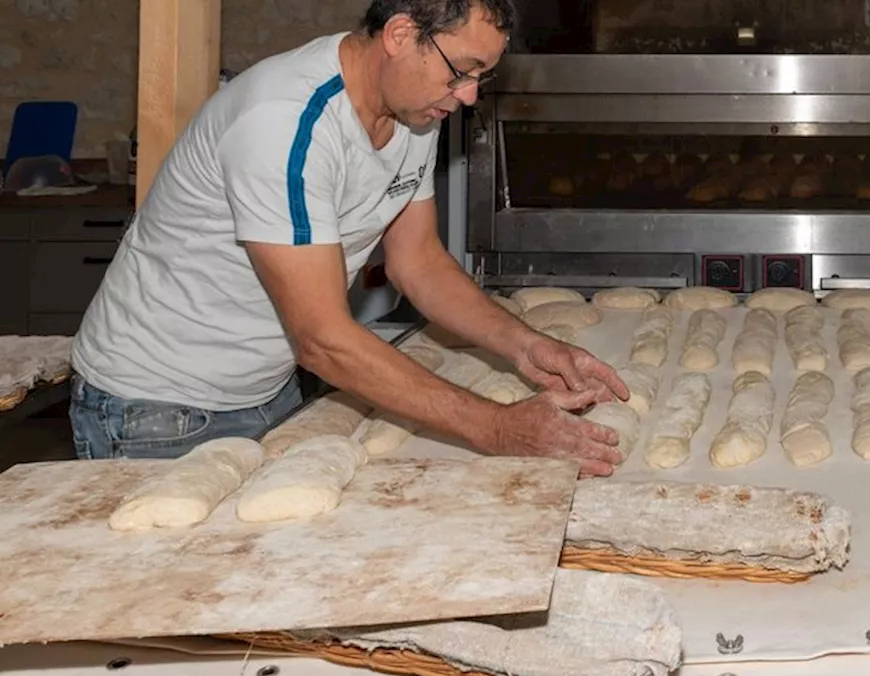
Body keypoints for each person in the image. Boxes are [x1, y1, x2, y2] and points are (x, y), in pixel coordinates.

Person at [69, 0, 628, 477]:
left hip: (269, 388)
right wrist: (496, 427)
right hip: (154, 405)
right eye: (462, 71)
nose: (468, 97)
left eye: (482, 77)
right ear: (402, 34)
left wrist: (527, 346)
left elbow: (420, 264)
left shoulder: (415, 116)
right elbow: (323, 339)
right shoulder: (286, 123)